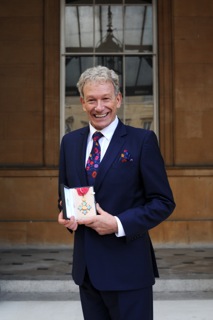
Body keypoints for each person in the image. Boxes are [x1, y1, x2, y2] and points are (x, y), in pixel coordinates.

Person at [58, 65, 175, 320]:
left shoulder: (142, 141)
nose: (99, 107)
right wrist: (66, 216)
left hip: (129, 271)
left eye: (105, 98)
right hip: (87, 271)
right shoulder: (69, 143)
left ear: (118, 99)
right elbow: (66, 194)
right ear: (82, 102)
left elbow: (163, 202)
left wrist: (118, 223)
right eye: (92, 100)